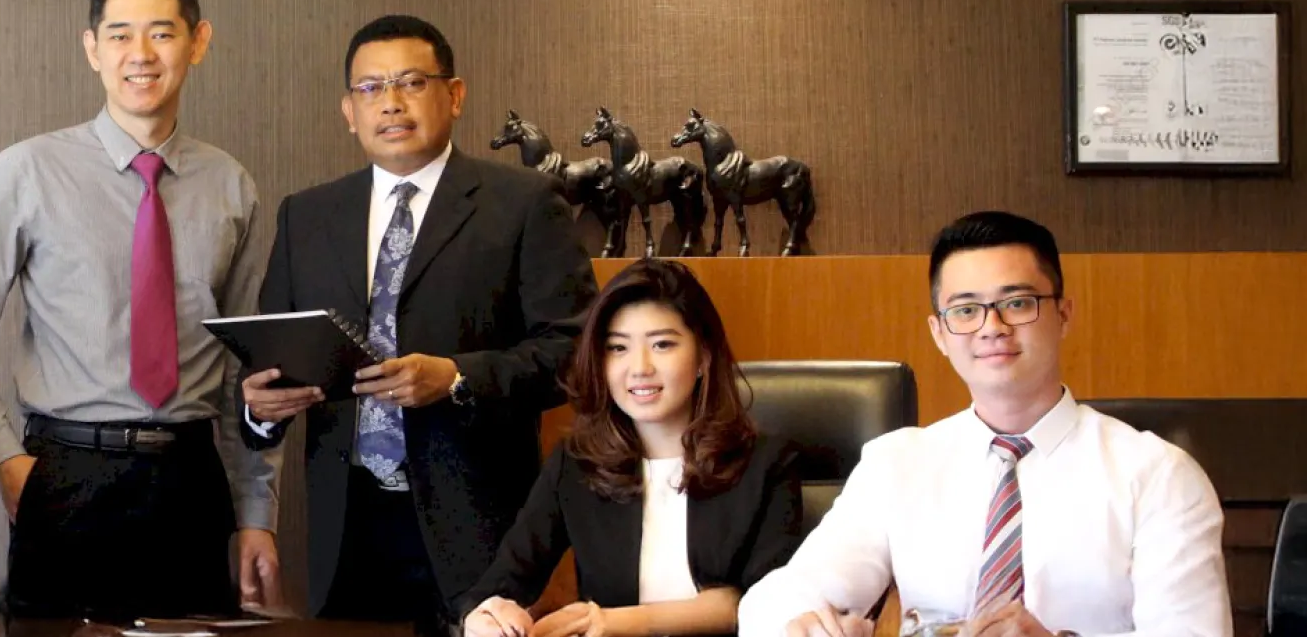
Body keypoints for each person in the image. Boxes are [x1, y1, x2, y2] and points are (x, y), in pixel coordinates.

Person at [0, 0, 280, 618]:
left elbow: (250, 364)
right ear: (92, 48)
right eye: (120, 34)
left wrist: (256, 511)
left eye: (161, 32)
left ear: (198, 41)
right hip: (66, 475)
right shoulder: (29, 170)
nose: (140, 53)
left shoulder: (231, 184)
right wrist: (4, 458)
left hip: (192, 480)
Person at [240, 14, 597, 629]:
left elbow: (576, 352)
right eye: (370, 88)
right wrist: (259, 409)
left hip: (478, 524)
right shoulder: (307, 216)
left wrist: (456, 378)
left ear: (454, 95)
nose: (391, 103)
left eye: (411, 82)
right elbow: (271, 352)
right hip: (346, 526)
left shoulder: (524, 204)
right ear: (349, 110)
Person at [739, 211, 1230, 637]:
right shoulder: (898, 464)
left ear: (1063, 314)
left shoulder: (1157, 474)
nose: (992, 327)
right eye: (966, 310)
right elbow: (774, 599)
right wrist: (803, 624)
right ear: (939, 333)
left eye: (1017, 303)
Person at [457, 259, 803, 637]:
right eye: (618, 348)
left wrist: (615, 622)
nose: (639, 367)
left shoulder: (765, 463)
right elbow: (502, 582)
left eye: (662, 344)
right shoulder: (576, 463)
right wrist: (486, 614)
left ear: (703, 356)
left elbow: (766, 603)